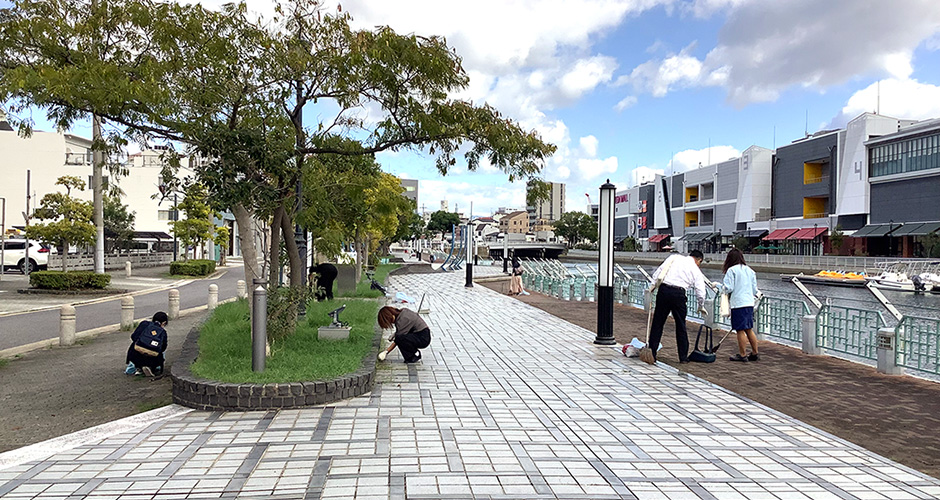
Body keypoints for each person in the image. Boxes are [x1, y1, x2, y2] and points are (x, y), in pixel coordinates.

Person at [647, 249, 709, 363]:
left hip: (664, 291)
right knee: (681, 326)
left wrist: (652, 286)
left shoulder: (673, 258)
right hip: (679, 294)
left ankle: (652, 353)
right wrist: (701, 305)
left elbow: (659, 272)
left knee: (657, 323)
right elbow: (700, 291)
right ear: (699, 260)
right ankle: (683, 357)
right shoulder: (695, 269)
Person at [721, 248, 761, 362]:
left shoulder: (731, 271)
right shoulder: (750, 271)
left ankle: (742, 355)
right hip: (749, 303)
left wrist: (718, 286)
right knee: (749, 329)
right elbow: (754, 290)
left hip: (738, 303)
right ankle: (755, 353)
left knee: (740, 330)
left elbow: (728, 288)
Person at [125, 312, 169, 377]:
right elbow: (163, 348)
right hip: (152, 358)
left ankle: (137, 368)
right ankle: (153, 368)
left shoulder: (144, 324)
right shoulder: (163, 332)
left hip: (135, 355)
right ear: (164, 322)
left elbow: (133, 337)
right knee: (160, 349)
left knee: (136, 344)